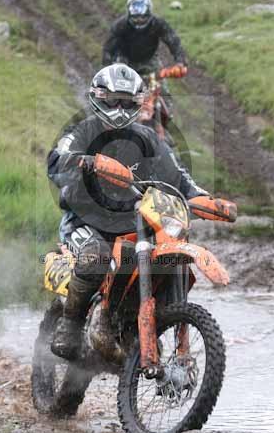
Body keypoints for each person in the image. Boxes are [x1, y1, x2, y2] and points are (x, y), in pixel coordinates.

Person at [47, 64, 234, 360]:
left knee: (166, 253)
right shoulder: (81, 132)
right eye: (113, 101)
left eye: (127, 103)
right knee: (95, 255)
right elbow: (56, 160)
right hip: (85, 222)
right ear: (99, 98)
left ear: (137, 104)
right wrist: (86, 161)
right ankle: (70, 325)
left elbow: (177, 176)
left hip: (133, 224)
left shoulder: (147, 138)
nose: (120, 109)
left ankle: (149, 325)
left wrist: (203, 199)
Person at [102, 0, 188, 122]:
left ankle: (166, 117)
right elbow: (108, 49)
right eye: (135, 18)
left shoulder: (158, 24)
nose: (139, 21)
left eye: (142, 18)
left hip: (149, 60)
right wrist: (108, 69)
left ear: (149, 14)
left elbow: (173, 41)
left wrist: (180, 61)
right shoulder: (120, 26)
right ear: (129, 15)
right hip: (125, 61)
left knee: (162, 91)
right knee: (115, 94)